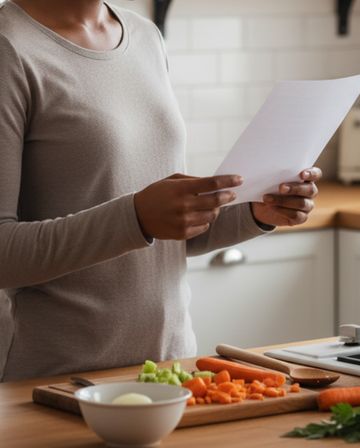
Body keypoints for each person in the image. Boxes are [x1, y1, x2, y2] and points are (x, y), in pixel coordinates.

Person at [0, 0, 322, 382]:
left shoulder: (145, 37)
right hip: (57, 382)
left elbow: (161, 235)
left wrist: (256, 212)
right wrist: (136, 217)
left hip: (169, 369)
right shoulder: (10, 49)